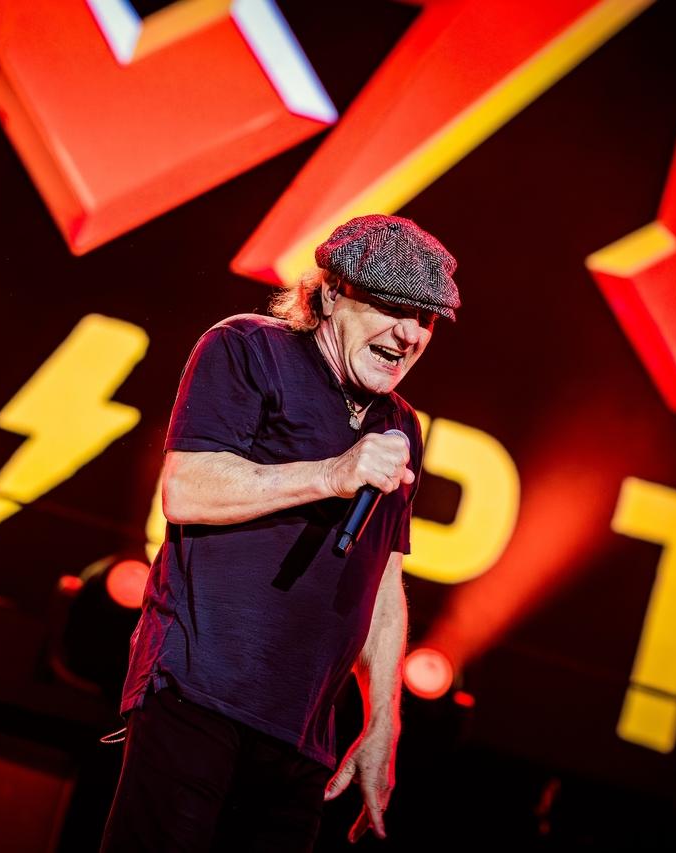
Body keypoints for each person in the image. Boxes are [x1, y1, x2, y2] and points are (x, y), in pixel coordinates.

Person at [100, 215, 460, 851]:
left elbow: (383, 584)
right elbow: (187, 490)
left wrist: (383, 723)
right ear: (331, 295)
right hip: (196, 693)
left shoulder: (401, 425)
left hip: (302, 737)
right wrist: (332, 474)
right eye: (391, 307)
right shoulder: (247, 349)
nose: (409, 333)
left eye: (426, 319)